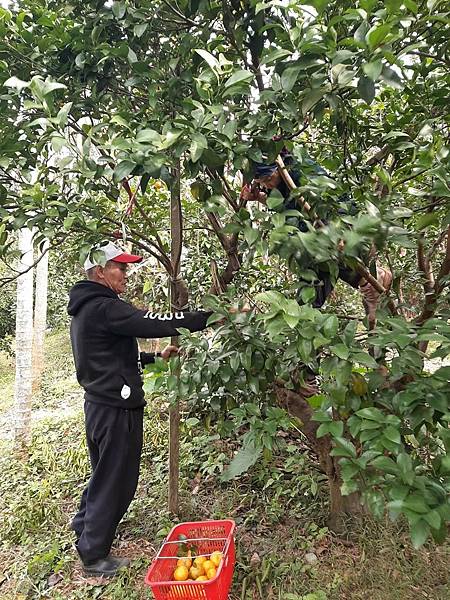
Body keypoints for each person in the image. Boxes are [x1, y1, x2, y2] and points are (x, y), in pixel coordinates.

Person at [67, 241, 212, 577]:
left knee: (103, 473)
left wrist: (151, 358)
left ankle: (83, 526)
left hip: (99, 405)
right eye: (121, 267)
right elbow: (155, 322)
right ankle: (93, 556)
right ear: (101, 271)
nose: (126, 274)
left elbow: (105, 355)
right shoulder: (105, 307)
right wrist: (208, 318)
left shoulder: (86, 308)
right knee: (117, 480)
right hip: (118, 409)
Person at [241, 152, 392, 321]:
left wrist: (339, 232)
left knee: (322, 265)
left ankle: (369, 281)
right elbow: (285, 204)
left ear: (280, 167)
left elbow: (331, 200)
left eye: (268, 179)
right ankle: (368, 281)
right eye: (262, 183)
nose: (267, 186)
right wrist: (258, 197)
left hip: (332, 225)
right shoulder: (279, 181)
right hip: (311, 237)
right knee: (311, 288)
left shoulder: (302, 173)